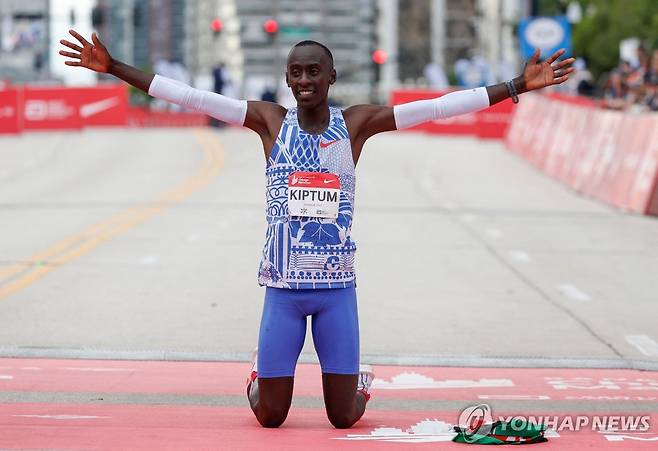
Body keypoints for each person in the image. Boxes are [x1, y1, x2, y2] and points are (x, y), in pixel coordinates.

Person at [59, 29, 575, 429]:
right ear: (287, 79)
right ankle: (260, 374)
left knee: (343, 416)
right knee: (270, 415)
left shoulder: (355, 125)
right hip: (282, 292)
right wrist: (113, 69)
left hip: (335, 293)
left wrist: (515, 86)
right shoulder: (266, 121)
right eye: (296, 72)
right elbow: (189, 96)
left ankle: (360, 381)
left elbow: (437, 108)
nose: (304, 80)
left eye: (314, 72)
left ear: (331, 77)